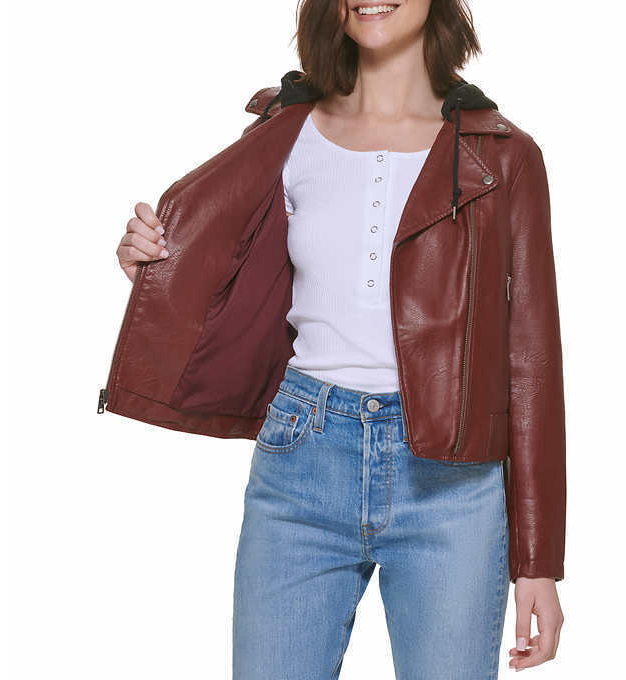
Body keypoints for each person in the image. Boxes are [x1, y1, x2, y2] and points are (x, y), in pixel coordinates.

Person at [106, 1, 566, 677]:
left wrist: (537, 562)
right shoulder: (286, 133)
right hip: (302, 455)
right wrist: (157, 267)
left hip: (453, 484)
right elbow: (233, 272)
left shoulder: (502, 155)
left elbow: (532, 358)